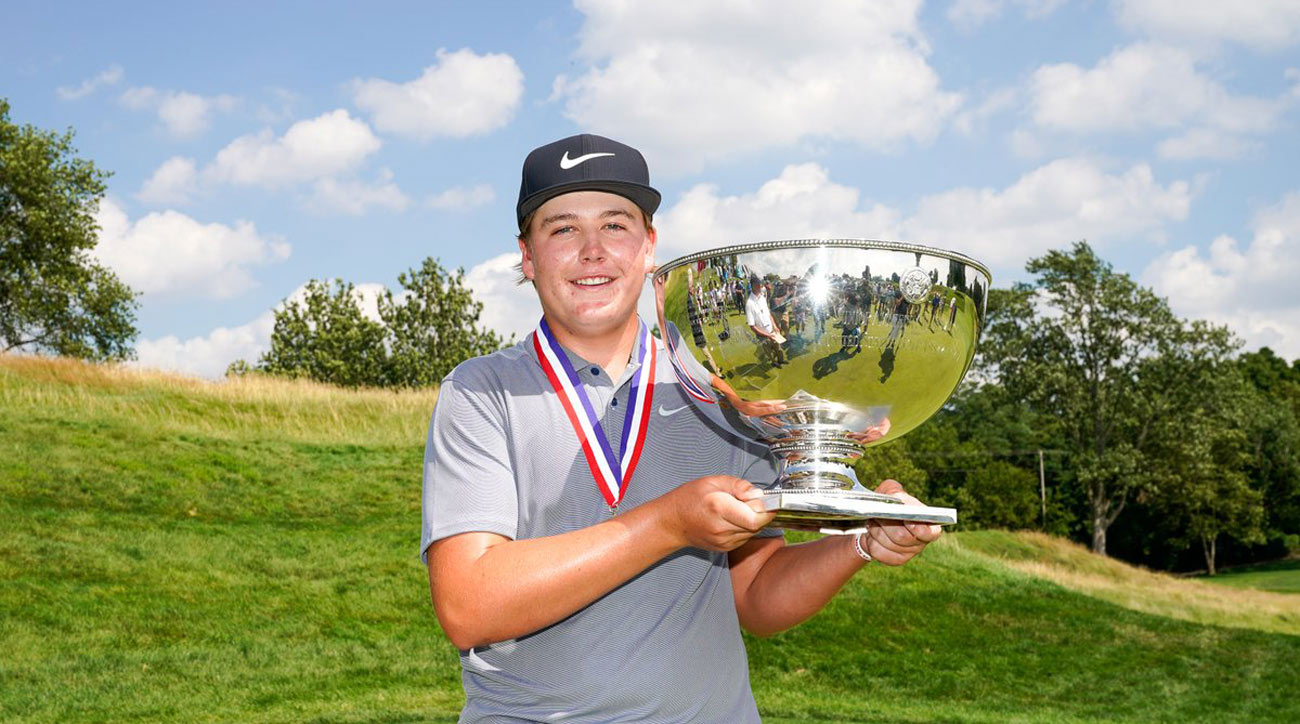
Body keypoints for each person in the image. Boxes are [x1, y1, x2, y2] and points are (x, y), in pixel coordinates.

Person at [420, 133, 941, 723]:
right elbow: (470, 604)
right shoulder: (480, 392)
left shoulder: (726, 389)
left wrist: (858, 543)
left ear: (649, 247)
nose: (593, 250)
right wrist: (667, 524)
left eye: (616, 226)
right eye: (562, 228)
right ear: (528, 256)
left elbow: (756, 593)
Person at [745, 275, 786, 367]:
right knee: (769, 352)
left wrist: (775, 327)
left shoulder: (762, 298)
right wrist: (768, 335)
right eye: (758, 285)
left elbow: (768, 314)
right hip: (763, 335)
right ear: (753, 286)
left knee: (778, 348)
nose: (760, 286)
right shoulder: (749, 304)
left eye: (760, 284)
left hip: (772, 331)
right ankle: (774, 363)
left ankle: (781, 361)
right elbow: (752, 326)